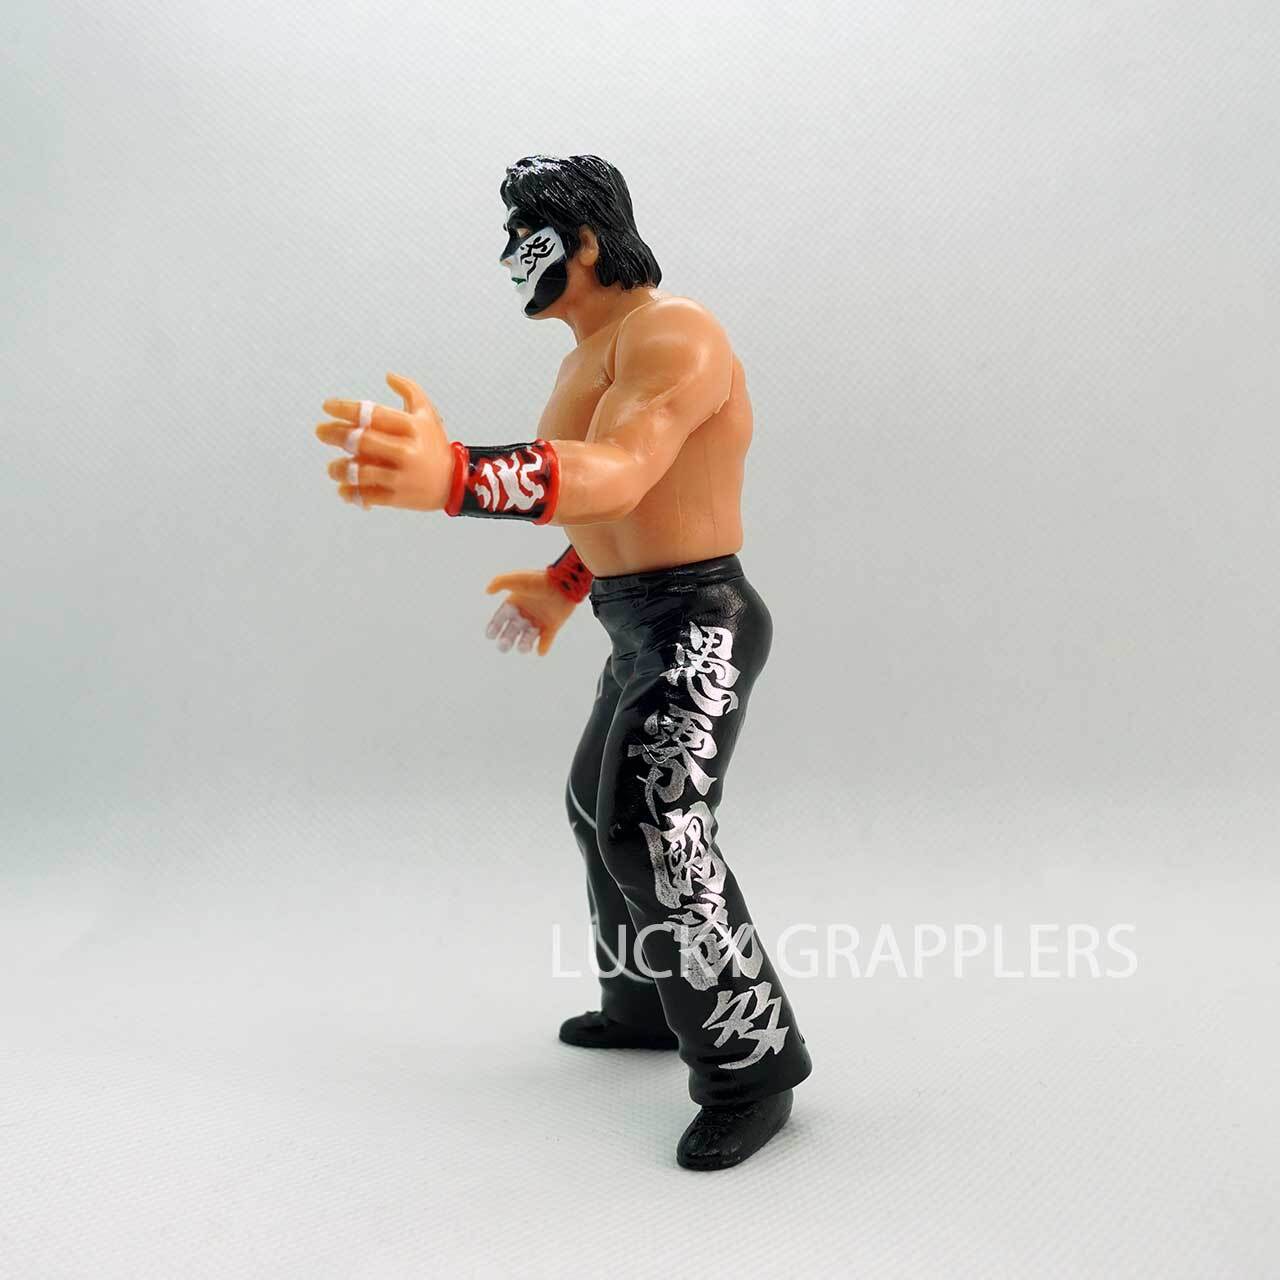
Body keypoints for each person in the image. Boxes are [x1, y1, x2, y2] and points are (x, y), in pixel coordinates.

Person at [315, 154, 812, 1170]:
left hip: (698, 622)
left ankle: (751, 1067)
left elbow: (622, 469)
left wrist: (456, 476)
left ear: (582, 242)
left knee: (655, 831)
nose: (508, 260)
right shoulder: (589, 354)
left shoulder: (674, 331)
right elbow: (618, 503)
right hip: (638, 621)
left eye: (523, 238)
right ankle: (643, 1001)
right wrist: (567, 580)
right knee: (597, 809)